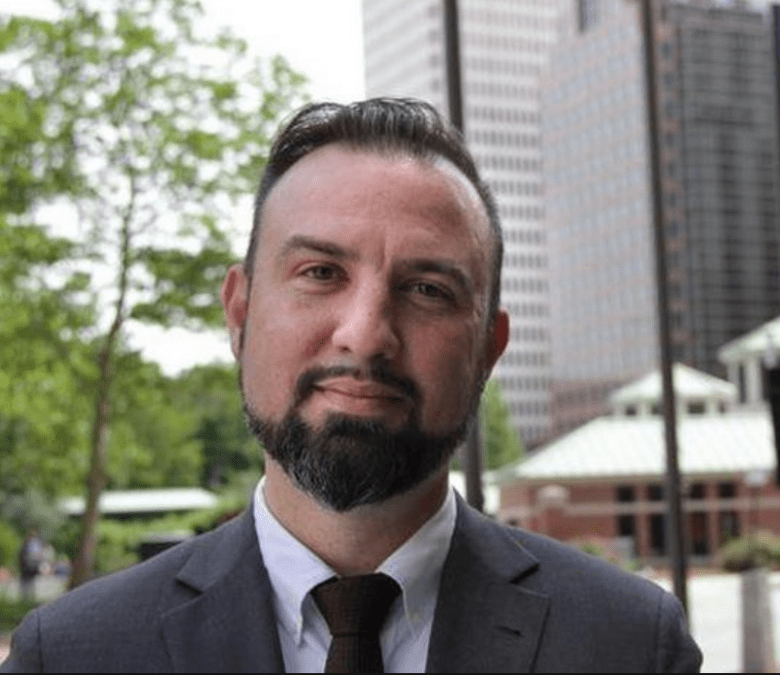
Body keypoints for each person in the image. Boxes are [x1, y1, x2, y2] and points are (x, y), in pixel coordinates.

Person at [1, 98, 702, 673]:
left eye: (427, 289)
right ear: (240, 313)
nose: (365, 335)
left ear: (489, 350)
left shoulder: (632, 646)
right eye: (320, 273)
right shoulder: (69, 655)